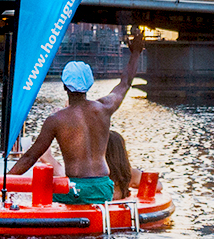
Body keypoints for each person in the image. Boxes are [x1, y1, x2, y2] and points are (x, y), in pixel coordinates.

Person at [8, 38, 146, 206]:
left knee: (40, 192)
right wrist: (136, 52)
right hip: (104, 187)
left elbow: (30, 157)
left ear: (65, 86)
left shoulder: (56, 120)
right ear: (89, 84)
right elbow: (125, 83)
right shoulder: (104, 108)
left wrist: (4, 181)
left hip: (76, 190)